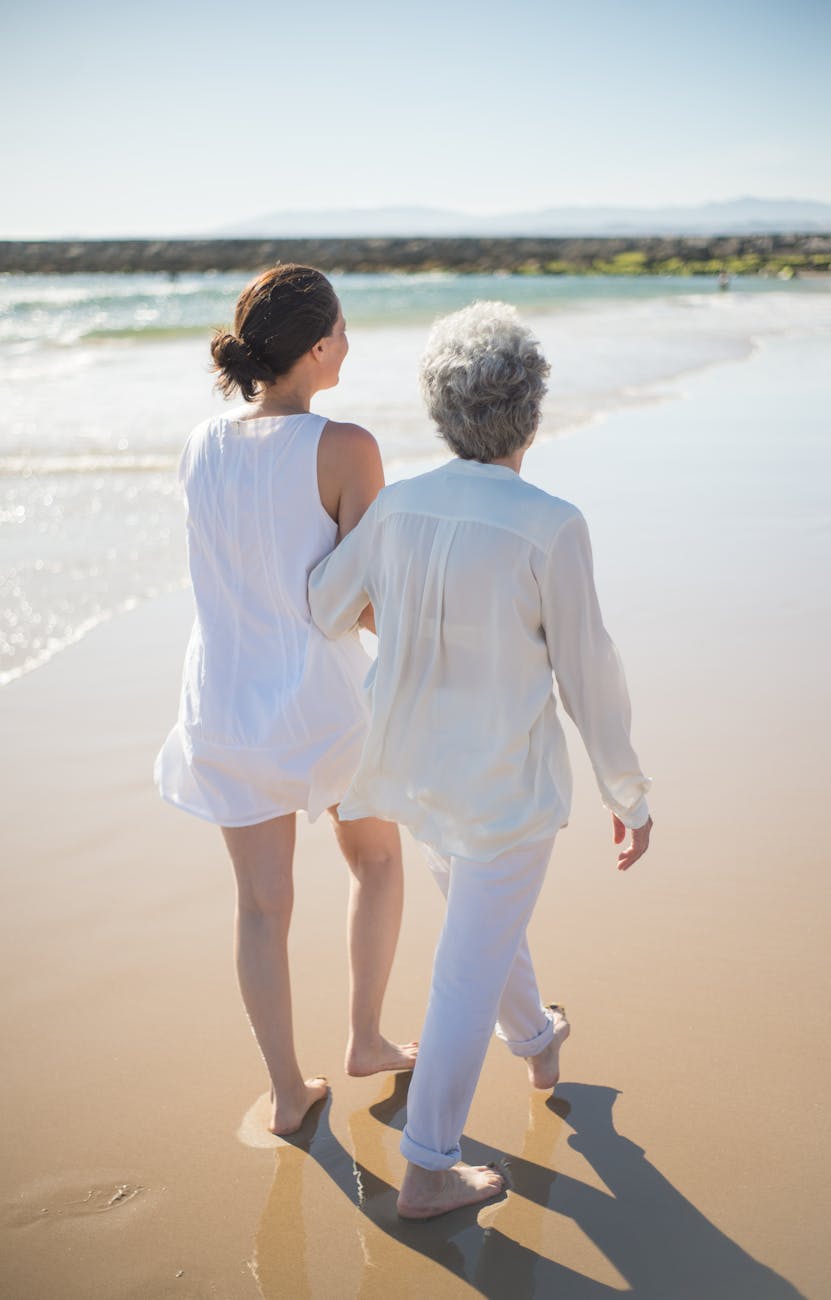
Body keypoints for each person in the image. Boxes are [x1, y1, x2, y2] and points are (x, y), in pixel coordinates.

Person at [308, 301, 652, 1217]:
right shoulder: (551, 523)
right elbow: (590, 673)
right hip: (503, 782)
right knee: (467, 958)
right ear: (530, 411)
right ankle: (427, 1164)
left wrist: (405, 606)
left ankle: (537, 1038)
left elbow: (326, 606)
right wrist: (630, 790)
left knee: (478, 925)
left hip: (412, 769)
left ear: (439, 410)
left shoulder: (399, 509)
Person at [154, 264, 415, 1136]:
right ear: (315, 346)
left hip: (223, 702)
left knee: (261, 906)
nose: (349, 343)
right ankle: (368, 1039)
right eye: (342, 329)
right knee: (375, 861)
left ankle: (287, 1095)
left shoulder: (200, 443)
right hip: (321, 701)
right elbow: (364, 599)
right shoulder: (346, 446)